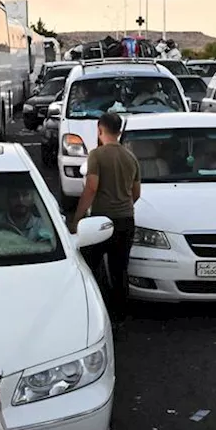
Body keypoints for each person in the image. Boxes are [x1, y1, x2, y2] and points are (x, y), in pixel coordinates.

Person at [69, 112, 140, 323]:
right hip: (126, 220)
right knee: (120, 270)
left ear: (100, 129)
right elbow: (136, 193)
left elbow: (91, 188)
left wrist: (77, 219)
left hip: (101, 222)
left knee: (90, 266)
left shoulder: (96, 155)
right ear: (119, 132)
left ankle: (95, 313)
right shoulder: (131, 157)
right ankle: (120, 316)